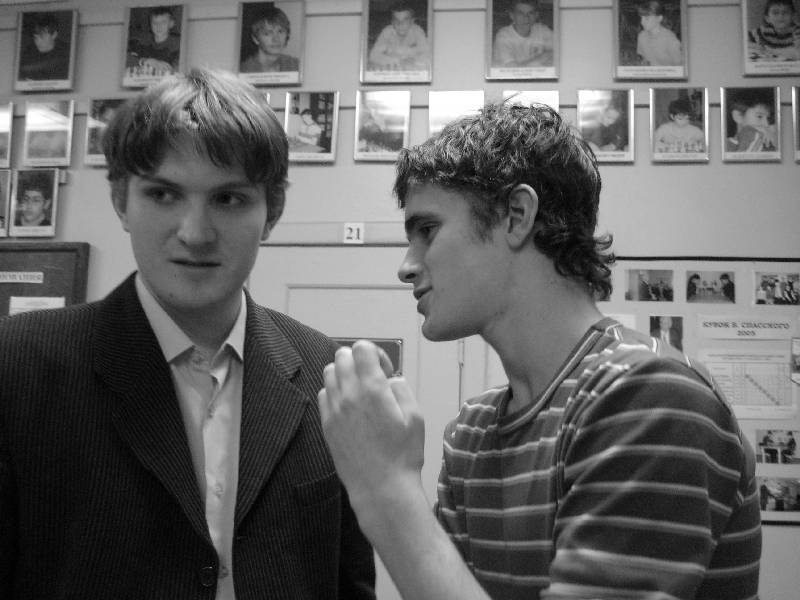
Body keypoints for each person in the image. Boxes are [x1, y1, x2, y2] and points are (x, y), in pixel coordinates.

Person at [317, 102, 761, 600]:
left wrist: (385, 488)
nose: (406, 266)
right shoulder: (472, 432)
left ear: (517, 216)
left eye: (427, 231)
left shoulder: (652, 395)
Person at [0, 68, 375, 599]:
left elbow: (349, 584)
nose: (195, 233)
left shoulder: (328, 374)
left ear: (272, 212)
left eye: (229, 199)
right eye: (163, 194)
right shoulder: (17, 365)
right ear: (120, 202)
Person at [368, 2, 431, 71]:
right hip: (393, 66)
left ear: (412, 21)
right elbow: (373, 55)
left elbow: (427, 54)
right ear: (392, 22)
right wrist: (397, 61)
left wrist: (414, 60)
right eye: (396, 20)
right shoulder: (387, 31)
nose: (400, 24)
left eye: (405, 20)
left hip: (412, 67)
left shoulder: (417, 31)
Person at [491, 0, 554, 68]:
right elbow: (513, 70)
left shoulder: (542, 29)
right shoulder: (503, 36)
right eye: (521, 13)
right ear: (512, 15)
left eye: (530, 13)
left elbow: (560, 52)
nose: (526, 18)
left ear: (536, 15)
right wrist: (542, 58)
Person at [240, 6, 299, 73]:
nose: (276, 39)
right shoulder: (244, 70)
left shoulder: (296, 65)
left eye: (280, 31)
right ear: (255, 39)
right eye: (267, 33)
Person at [126, 6, 181, 76]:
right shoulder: (141, 41)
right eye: (154, 23)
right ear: (150, 24)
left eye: (163, 22)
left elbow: (178, 67)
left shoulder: (179, 44)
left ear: (171, 24)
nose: (158, 26)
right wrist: (145, 61)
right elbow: (125, 57)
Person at [17, 12, 71, 81]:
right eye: (36, 37)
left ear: (54, 35)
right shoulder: (27, 53)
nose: (38, 41)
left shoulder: (67, 53)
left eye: (42, 37)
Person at [635, 1, 682, 66]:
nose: (642, 22)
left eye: (646, 18)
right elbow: (644, 59)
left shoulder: (670, 39)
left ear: (659, 18)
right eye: (641, 18)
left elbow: (680, 65)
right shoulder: (641, 36)